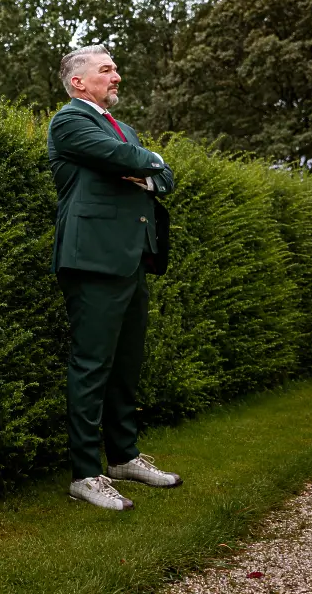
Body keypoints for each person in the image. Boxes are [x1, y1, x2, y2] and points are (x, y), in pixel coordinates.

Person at [46, 44, 181, 512]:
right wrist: (143, 160)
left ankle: (124, 458)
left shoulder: (125, 128)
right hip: (91, 259)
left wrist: (143, 166)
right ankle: (85, 473)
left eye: (117, 68)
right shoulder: (68, 121)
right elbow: (117, 155)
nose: (117, 75)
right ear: (78, 81)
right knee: (91, 366)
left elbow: (163, 178)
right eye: (107, 69)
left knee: (126, 365)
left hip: (131, 257)